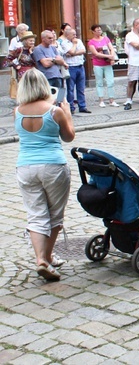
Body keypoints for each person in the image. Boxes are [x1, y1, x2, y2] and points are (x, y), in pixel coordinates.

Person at [14, 69, 75, 281]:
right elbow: (68, 137)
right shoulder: (54, 111)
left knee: (36, 215)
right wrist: (67, 114)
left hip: (25, 167)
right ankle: (46, 258)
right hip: (53, 165)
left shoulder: (18, 111)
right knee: (55, 215)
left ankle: (42, 258)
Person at [58, 25, 90, 114]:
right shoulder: (63, 42)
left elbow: (83, 50)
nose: (75, 36)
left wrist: (73, 53)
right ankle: (70, 107)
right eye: (73, 35)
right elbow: (70, 52)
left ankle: (82, 106)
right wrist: (75, 46)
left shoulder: (78, 41)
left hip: (80, 66)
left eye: (75, 34)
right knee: (70, 88)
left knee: (81, 88)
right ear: (67, 35)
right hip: (70, 67)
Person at [87, 25, 118, 107]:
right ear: (93, 31)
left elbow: (111, 48)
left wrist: (112, 57)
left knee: (110, 82)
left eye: (100, 30)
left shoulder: (105, 38)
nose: (99, 31)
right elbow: (96, 54)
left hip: (107, 63)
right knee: (99, 82)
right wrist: (108, 57)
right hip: (98, 64)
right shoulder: (91, 42)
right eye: (97, 30)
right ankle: (101, 100)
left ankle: (112, 100)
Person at [32, 30, 67, 100]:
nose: (52, 39)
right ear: (43, 39)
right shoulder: (37, 49)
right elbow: (45, 64)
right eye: (49, 38)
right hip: (47, 77)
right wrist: (55, 60)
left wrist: (50, 59)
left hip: (58, 76)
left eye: (52, 38)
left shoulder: (53, 48)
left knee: (60, 98)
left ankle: (60, 109)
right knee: (48, 98)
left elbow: (61, 60)